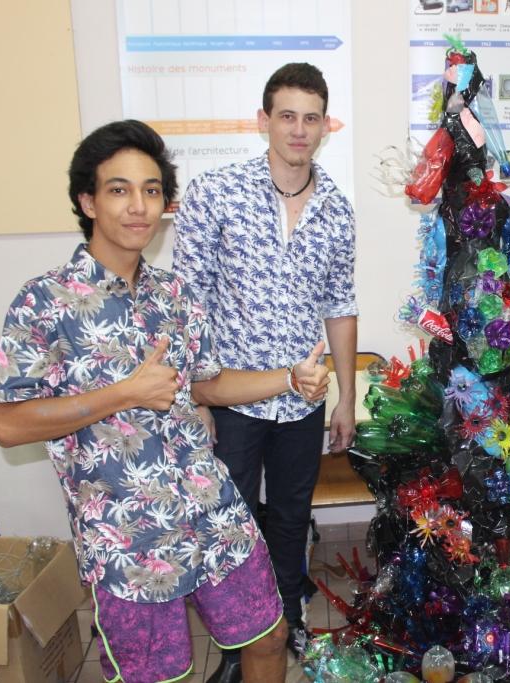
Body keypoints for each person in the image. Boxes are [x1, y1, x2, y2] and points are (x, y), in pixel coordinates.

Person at [0, 120, 331, 683]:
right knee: (161, 675)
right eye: (118, 189)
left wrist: (288, 379)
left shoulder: (173, 295)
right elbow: (7, 424)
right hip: (129, 538)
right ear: (87, 201)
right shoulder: (44, 301)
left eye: (150, 190)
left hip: (208, 502)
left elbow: (206, 385)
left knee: (269, 636)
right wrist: (124, 393)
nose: (138, 206)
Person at [172, 62, 357, 678]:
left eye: (311, 118)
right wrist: (195, 396)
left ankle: (285, 626)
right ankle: (237, 642)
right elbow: (188, 299)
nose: (298, 130)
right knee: (231, 522)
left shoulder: (337, 209)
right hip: (230, 400)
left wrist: (347, 400)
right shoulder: (215, 194)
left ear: (325, 127)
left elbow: (340, 307)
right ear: (263, 121)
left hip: (301, 402)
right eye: (287, 116)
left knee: (289, 518)